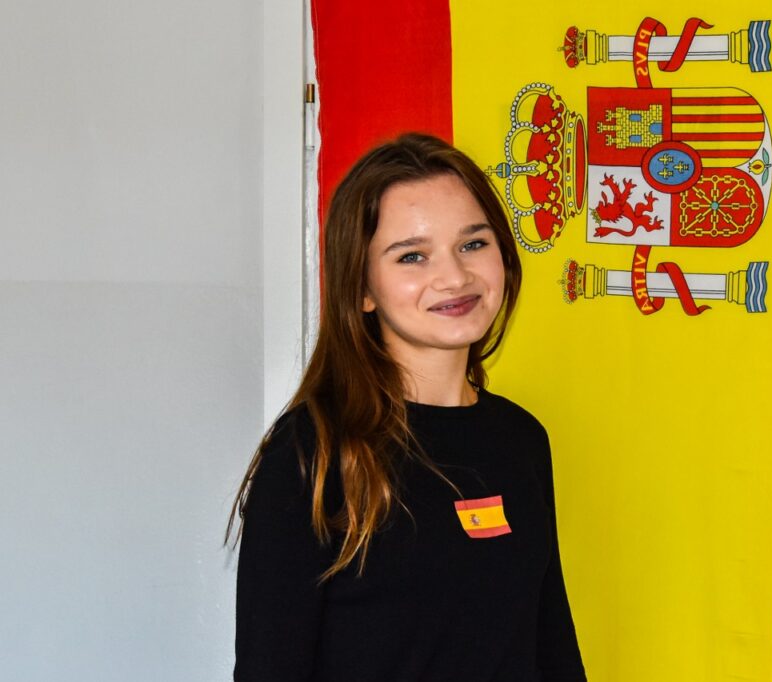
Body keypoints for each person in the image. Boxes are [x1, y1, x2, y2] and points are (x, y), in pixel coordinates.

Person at [229, 133, 587, 681]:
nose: (455, 277)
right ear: (362, 289)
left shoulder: (521, 439)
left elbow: (551, 645)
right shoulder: (312, 451)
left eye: (473, 244)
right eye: (412, 256)